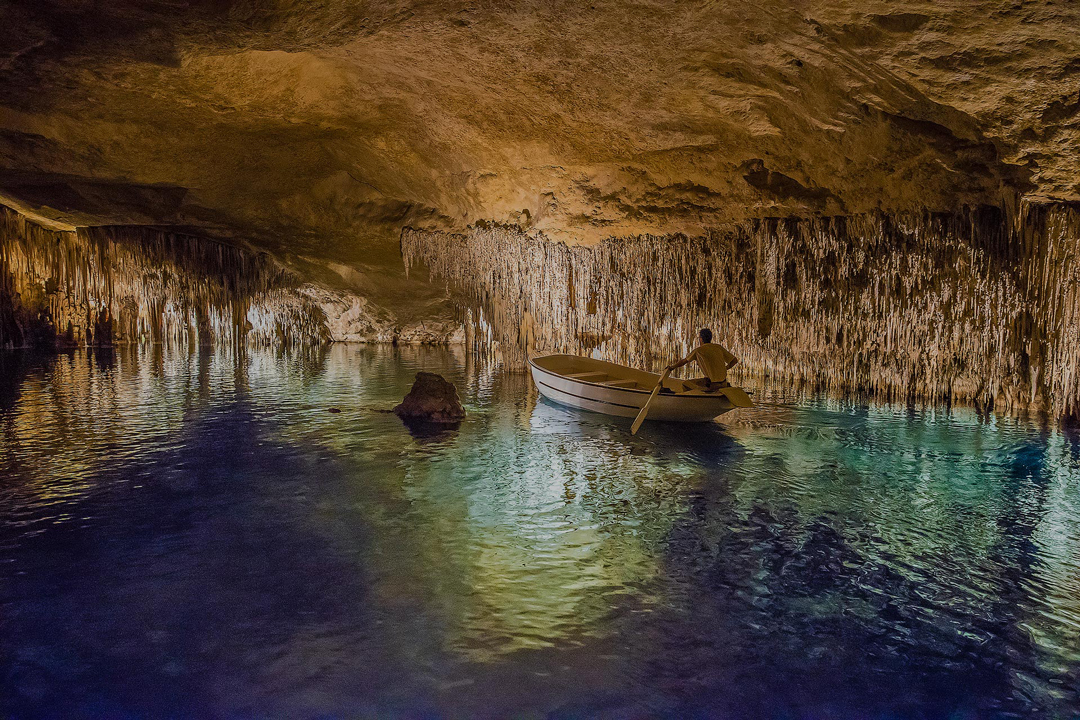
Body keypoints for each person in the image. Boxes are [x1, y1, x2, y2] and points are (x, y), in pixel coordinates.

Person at [665, 328, 738, 392]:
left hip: (712, 385)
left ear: (701, 339)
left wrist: (671, 367)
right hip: (724, 383)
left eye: (699, 337)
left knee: (685, 384)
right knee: (704, 380)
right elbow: (734, 360)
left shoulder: (698, 351)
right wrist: (726, 368)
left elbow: (683, 362)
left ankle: (696, 399)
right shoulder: (718, 348)